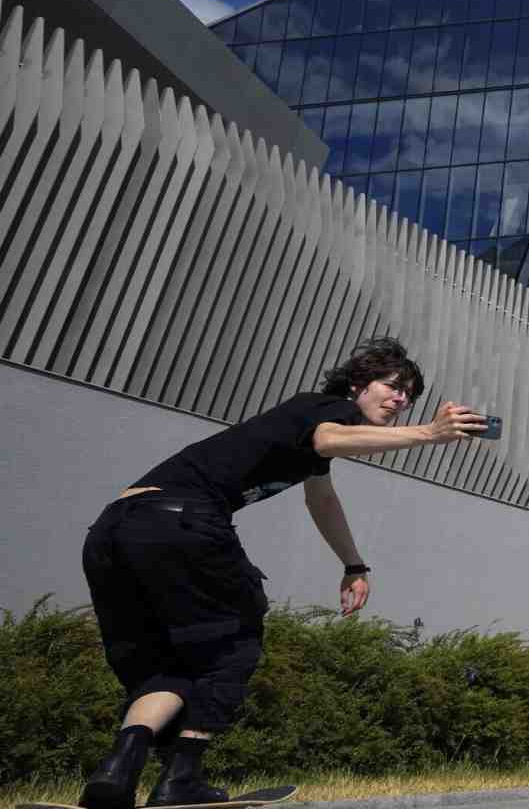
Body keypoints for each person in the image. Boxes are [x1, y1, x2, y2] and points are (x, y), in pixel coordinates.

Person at [75, 337, 485, 809]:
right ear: (357, 386)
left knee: (167, 665)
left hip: (114, 531)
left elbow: (322, 498)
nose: (401, 401)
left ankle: (117, 770)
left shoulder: (303, 422)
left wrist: (353, 564)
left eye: (409, 396)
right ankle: (181, 777)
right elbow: (329, 440)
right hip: (182, 520)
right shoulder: (329, 412)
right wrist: (429, 434)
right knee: (234, 644)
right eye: (392, 388)